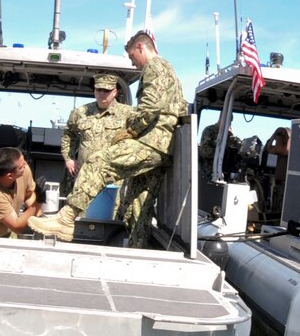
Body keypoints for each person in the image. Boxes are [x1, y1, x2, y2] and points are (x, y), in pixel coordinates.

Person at [29, 30, 187, 248]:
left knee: (98, 162)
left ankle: (66, 219)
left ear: (141, 47)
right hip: (162, 146)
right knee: (138, 204)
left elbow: (150, 107)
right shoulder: (169, 72)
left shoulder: (155, 66)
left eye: (133, 57)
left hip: (151, 142)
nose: (134, 64)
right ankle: (136, 250)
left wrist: (131, 131)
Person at [60, 73, 132, 197]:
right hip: (85, 176)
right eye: (99, 90)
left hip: (113, 176)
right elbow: (68, 135)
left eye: (106, 90)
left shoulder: (128, 113)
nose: (102, 93)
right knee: (83, 213)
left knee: (111, 213)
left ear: (114, 92)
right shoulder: (81, 112)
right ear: (94, 91)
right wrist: (69, 158)